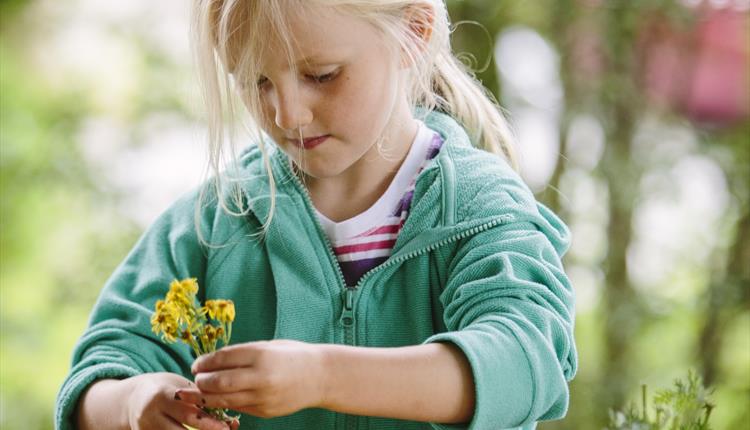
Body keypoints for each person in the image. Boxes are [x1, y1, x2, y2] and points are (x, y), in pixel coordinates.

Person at [55, 1, 578, 429]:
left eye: (320, 75)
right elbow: (96, 376)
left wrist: (323, 377)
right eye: (256, 81)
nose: (287, 115)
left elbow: (527, 361)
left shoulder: (481, 210)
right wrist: (132, 402)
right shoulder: (215, 221)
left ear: (414, 33)